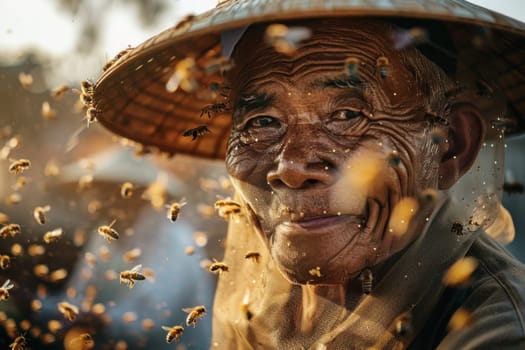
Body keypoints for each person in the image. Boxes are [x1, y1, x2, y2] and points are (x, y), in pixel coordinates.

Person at [91, 0, 525, 348]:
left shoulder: (494, 328)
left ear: (450, 145)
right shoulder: (272, 310)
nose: (291, 169)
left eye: (347, 115)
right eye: (262, 122)